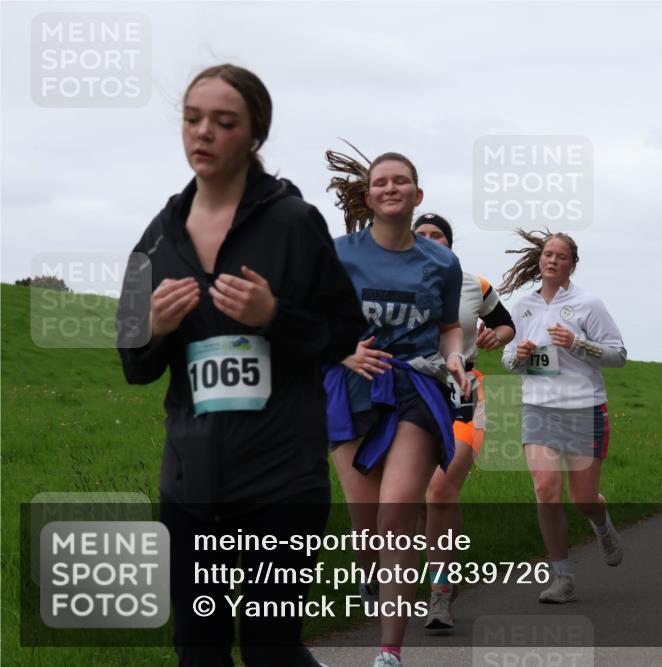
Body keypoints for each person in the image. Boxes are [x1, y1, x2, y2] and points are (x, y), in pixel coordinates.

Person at [116, 64, 365, 666]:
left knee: (270, 648)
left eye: (224, 122)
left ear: (255, 134)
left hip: (282, 483)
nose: (203, 132)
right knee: (197, 649)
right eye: (192, 119)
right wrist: (155, 328)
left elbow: (343, 333)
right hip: (190, 486)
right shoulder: (157, 238)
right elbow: (133, 364)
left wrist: (273, 315)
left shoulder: (295, 224)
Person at [323, 146, 469, 667]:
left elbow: (449, 327)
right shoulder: (338, 254)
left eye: (400, 180)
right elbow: (309, 318)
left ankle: (389, 652)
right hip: (352, 387)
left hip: (416, 386)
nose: (391, 187)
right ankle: (372, 574)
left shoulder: (442, 262)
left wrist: (455, 358)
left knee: (395, 515)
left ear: (417, 193)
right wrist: (344, 350)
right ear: (367, 196)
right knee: (366, 529)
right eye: (381, 181)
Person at [500, 229, 627, 603]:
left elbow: (618, 355)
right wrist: (518, 356)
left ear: (572, 264)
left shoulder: (588, 304)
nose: (552, 260)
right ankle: (563, 577)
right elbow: (508, 360)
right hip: (539, 408)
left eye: (561, 256)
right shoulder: (523, 306)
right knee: (545, 489)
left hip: (584, 409)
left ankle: (601, 525)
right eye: (547, 254)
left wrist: (578, 343)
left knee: (584, 499)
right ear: (540, 260)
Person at [412, 213, 516, 629]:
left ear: (450, 244)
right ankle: (445, 572)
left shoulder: (474, 284)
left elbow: (505, 324)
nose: (430, 239)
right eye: (421, 234)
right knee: (421, 497)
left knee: (440, 488)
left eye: (438, 235)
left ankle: (439, 595)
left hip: (463, 390)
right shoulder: (394, 281)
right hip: (412, 391)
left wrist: (496, 336)